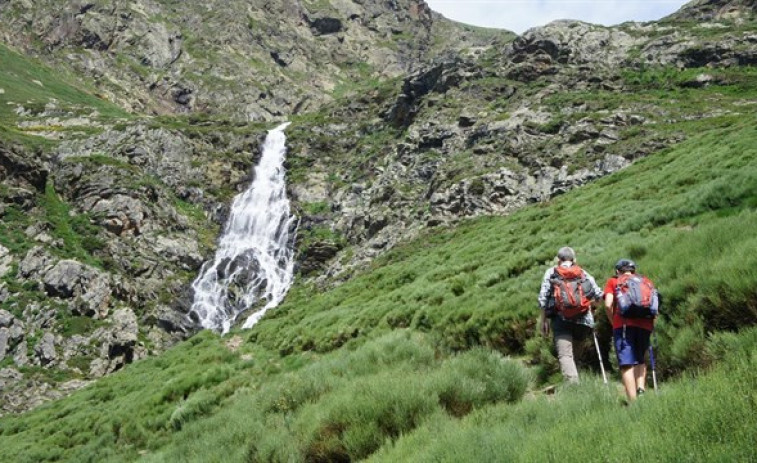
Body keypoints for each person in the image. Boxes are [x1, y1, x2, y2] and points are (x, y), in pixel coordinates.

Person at [538, 247, 603, 383]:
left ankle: (574, 387)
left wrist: (543, 321)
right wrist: (589, 306)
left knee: (565, 356)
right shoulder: (583, 273)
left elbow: (543, 298)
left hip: (561, 320)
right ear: (574, 259)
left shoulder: (551, 272)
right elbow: (598, 297)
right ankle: (576, 383)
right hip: (584, 321)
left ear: (558, 259)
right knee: (574, 356)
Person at [603, 259, 657, 401]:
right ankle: (641, 390)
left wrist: (613, 321)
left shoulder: (613, 282)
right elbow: (654, 306)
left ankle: (633, 402)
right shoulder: (646, 281)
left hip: (624, 325)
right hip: (645, 325)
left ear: (617, 271)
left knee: (626, 363)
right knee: (640, 358)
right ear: (634, 270)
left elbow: (608, 304)